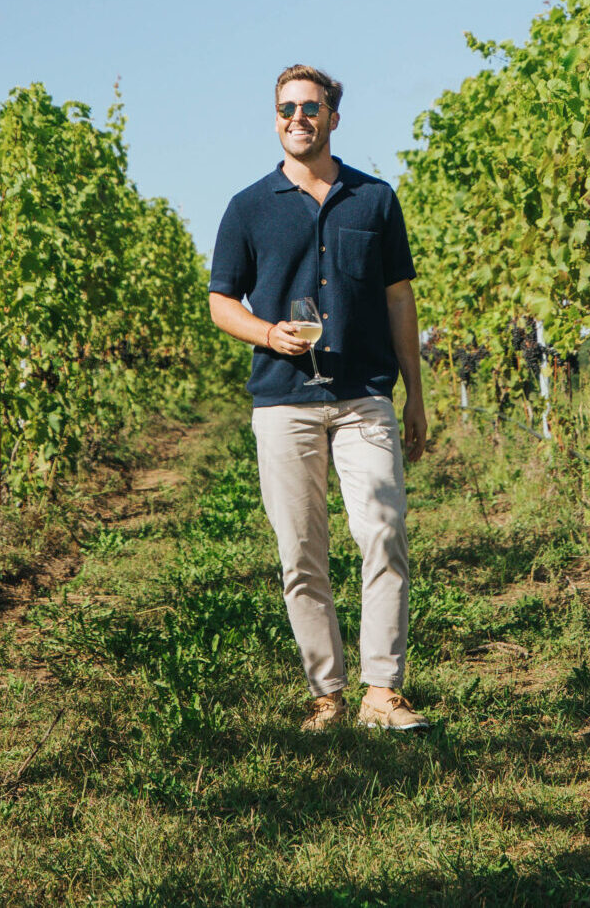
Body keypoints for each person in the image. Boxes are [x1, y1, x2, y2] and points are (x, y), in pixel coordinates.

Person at [208, 64, 431, 733]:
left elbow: (398, 298)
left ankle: (382, 691)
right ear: (275, 118)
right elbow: (221, 301)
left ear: (334, 116)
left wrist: (416, 391)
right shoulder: (249, 206)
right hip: (282, 400)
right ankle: (326, 694)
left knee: (384, 532)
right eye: (286, 108)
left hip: (364, 394)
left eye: (310, 106)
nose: (297, 117)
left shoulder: (375, 199)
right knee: (300, 549)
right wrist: (266, 332)